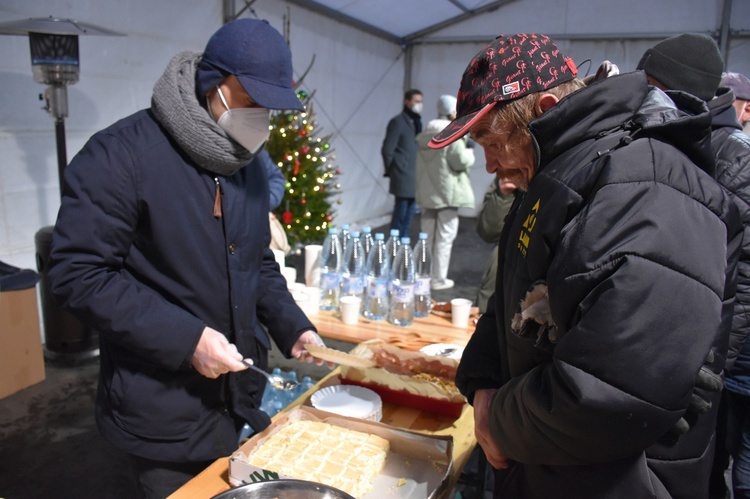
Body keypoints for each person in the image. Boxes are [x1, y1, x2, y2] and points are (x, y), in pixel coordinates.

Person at [429, 33, 741, 497]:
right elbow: (515, 296)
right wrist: (481, 381)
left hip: (622, 480)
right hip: (551, 461)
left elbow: (610, 391)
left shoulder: (643, 185)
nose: (490, 165)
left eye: (491, 142)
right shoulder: (558, 171)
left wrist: (499, 418)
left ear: (545, 108)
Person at [46, 19, 329, 498]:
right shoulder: (122, 157)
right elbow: (78, 274)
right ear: (213, 86)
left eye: (270, 106)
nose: (261, 117)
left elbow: (256, 260)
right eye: (251, 101)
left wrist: (292, 325)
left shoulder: (247, 165)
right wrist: (187, 339)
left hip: (233, 398)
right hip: (160, 407)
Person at [638, 33, 750, 499]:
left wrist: (705, 366)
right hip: (676, 355)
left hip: (710, 361)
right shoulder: (676, 137)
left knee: (731, 465)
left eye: (648, 85)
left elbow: (740, 283)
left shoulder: (732, 157)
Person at [415, 94, 475, 290]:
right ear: (450, 111)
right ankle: (438, 279)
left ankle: (422, 274)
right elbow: (459, 162)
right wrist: (470, 152)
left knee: (427, 237)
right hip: (447, 192)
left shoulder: (425, 134)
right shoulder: (452, 134)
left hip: (428, 192)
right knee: (445, 238)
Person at [381, 89, 423, 236]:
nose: (419, 104)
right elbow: (387, 149)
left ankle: (402, 240)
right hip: (402, 172)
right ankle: (395, 242)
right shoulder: (398, 122)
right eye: (416, 101)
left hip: (414, 172)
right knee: (401, 210)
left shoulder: (416, 121)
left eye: (421, 101)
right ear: (407, 101)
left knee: (410, 210)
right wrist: (392, 168)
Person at [474, 178, 516, 314]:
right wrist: (504, 195)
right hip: (497, 281)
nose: (489, 167)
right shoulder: (509, 169)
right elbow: (488, 230)